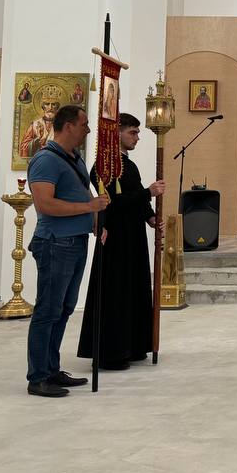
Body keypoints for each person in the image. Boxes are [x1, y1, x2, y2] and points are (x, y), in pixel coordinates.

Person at [25, 104, 109, 398]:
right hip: (55, 243)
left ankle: (51, 369)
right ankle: (38, 377)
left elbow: (84, 194)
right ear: (68, 126)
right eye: (84, 125)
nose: (88, 130)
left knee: (63, 308)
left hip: (76, 240)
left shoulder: (75, 158)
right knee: (48, 310)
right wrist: (89, 207)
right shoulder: (45, 160)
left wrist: (96, 220)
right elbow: (45, 204)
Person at [77, 113, 165, 371]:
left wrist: (150, 217)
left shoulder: (130, 165)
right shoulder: (104, 166)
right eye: (132, 132)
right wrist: (148, 192)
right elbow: (113, 203)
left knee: (134, 288)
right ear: (117, 133)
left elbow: (136, 197)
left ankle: (134, 345)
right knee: (116, 291)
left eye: (137, 133)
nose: (137, 138)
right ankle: (112, 352)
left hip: (133, 236)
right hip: (115, 237)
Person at [18, 84, 64, 160]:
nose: (50, 107)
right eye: (47, 104)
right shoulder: (35, 125)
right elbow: (23, 146)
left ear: (57, 107)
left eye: (53, 104)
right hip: (39, 160)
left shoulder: (63, 125)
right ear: (43, 106)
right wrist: (36, 142)